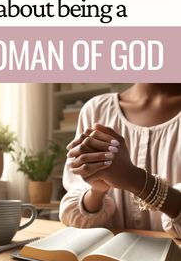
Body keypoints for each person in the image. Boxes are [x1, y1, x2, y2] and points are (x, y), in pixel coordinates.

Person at [59, 84, 181, 238]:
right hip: (105, 259)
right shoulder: (96, 109)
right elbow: (75, 223)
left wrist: (136, 180)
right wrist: (97, 190)